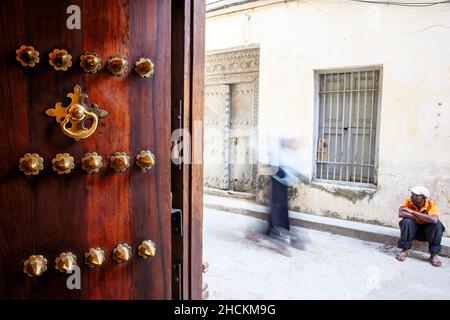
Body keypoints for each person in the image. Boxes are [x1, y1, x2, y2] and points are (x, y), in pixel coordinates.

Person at [395, 186, 445, 267]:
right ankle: (404, 250)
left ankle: (434, 254)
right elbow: (401, 213)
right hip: (413, 232)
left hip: (427, 234)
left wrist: (411, 212)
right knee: (406, 221)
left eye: (416, 195)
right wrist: (425, 217)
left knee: (437, 225)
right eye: (412, 194)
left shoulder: (431, 205)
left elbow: (434, 220)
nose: (412, 196)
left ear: (423, 198)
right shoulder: (408, 202)